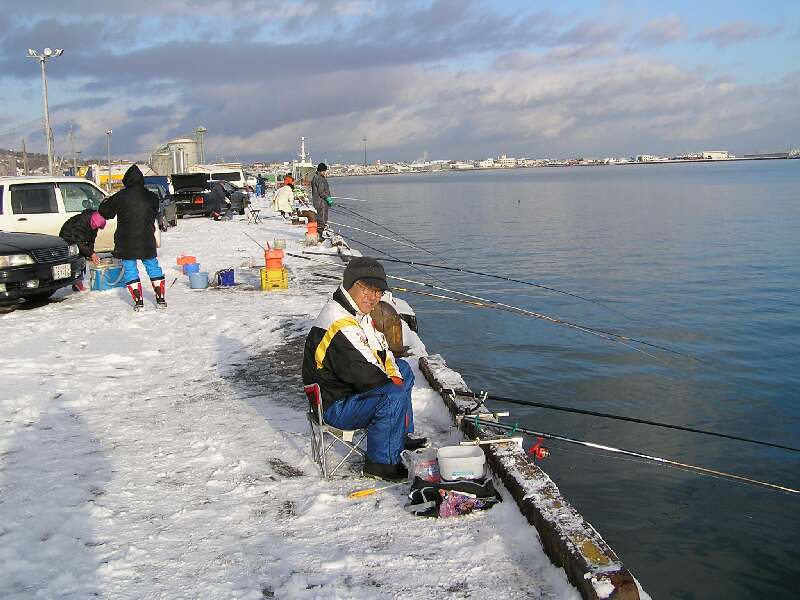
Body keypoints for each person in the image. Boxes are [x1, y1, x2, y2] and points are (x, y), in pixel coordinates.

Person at [302, 257, 427, 482]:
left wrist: (394, 374)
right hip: (335, 405)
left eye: (378, 292)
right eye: (367, 289)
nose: (374, 297)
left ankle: (399, 434)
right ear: (351, 284)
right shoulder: (338, 323)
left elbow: (382, 350)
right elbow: (365, 376)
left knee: (404, 369)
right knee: (393, 393)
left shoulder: (356, 313)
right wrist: (392, 381)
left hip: (350, 391)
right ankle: (380, 464)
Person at [98, 164, 166, 310]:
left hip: (126, 240)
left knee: (130, 269)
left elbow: (105, 212)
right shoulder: (152, 196)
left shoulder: (120, 196)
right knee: (153, 267)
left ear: (126, 180)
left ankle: (138, 303)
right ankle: (160, 299)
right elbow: (155, 212)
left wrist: (106, 201)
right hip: (147, 238)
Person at [59, 208, 106, 291]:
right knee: (77, 257)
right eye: (96, 227)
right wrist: (91, 253)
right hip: (67, 237)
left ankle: (78, 281)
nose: (97, 228)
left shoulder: (94, 223)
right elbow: (78, 242)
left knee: (84, 255)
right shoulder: (80, 223)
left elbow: (91, 240)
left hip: (78, 239)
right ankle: (76, 281)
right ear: (93, 222)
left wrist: (91, 252)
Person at [310, 162, 333, 240]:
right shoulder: (318, 178)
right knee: (322, 219)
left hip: (322, 202)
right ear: (321, 171)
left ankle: (319, 235)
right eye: (324, 171)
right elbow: (321, 192)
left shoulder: (320, 177)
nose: (325, 172)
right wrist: (327, 198)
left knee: (323, 219)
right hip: (321, 202)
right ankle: (319, 236)